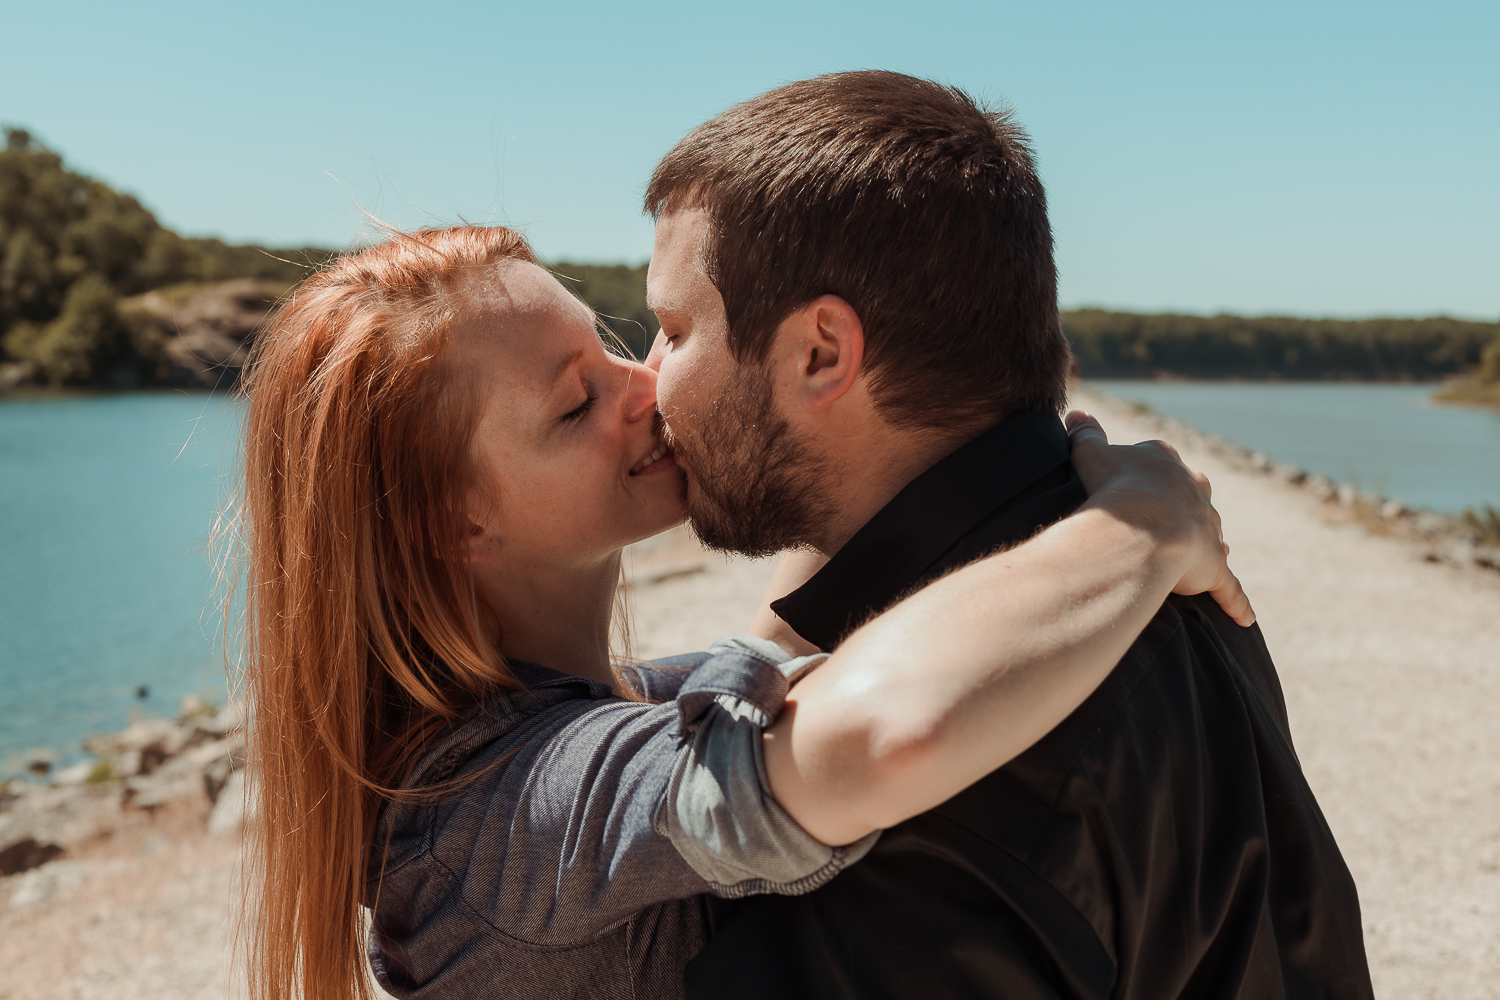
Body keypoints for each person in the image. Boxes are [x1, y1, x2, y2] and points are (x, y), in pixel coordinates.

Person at [238, 224, 1248, 1000]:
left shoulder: (567, 721)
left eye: (619, 347)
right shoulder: (502, 814)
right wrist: (1139, 526)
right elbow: (878, 739)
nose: (645, 387)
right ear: (449, 525)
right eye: (575, 405)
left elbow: (777, 638)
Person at [641, 71, 1376, 999]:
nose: (647, 374)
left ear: (821, 353)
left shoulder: (933, 783)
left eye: (672, 327)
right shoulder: (1133, 567)